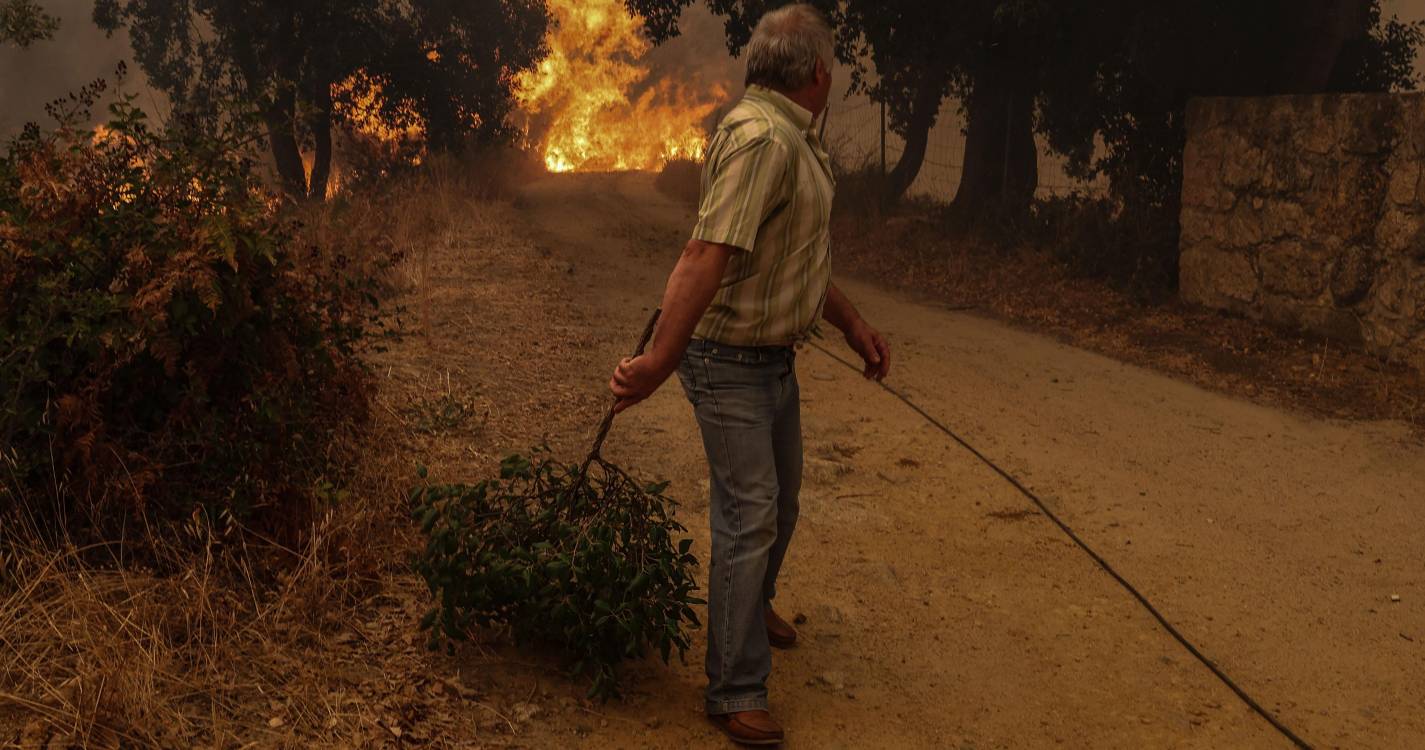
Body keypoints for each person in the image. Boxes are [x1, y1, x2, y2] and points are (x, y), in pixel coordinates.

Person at [608, 3, 890, 745]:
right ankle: (734, 688)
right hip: (728, 361)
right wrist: (658, 362)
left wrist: (852, 324)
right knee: (749, 516)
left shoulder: (789, 136)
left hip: (770, 360)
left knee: (781, 505)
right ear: (819, 72)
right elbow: (706, 253)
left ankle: (751, 602)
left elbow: (790, 258)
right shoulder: (764, 139)